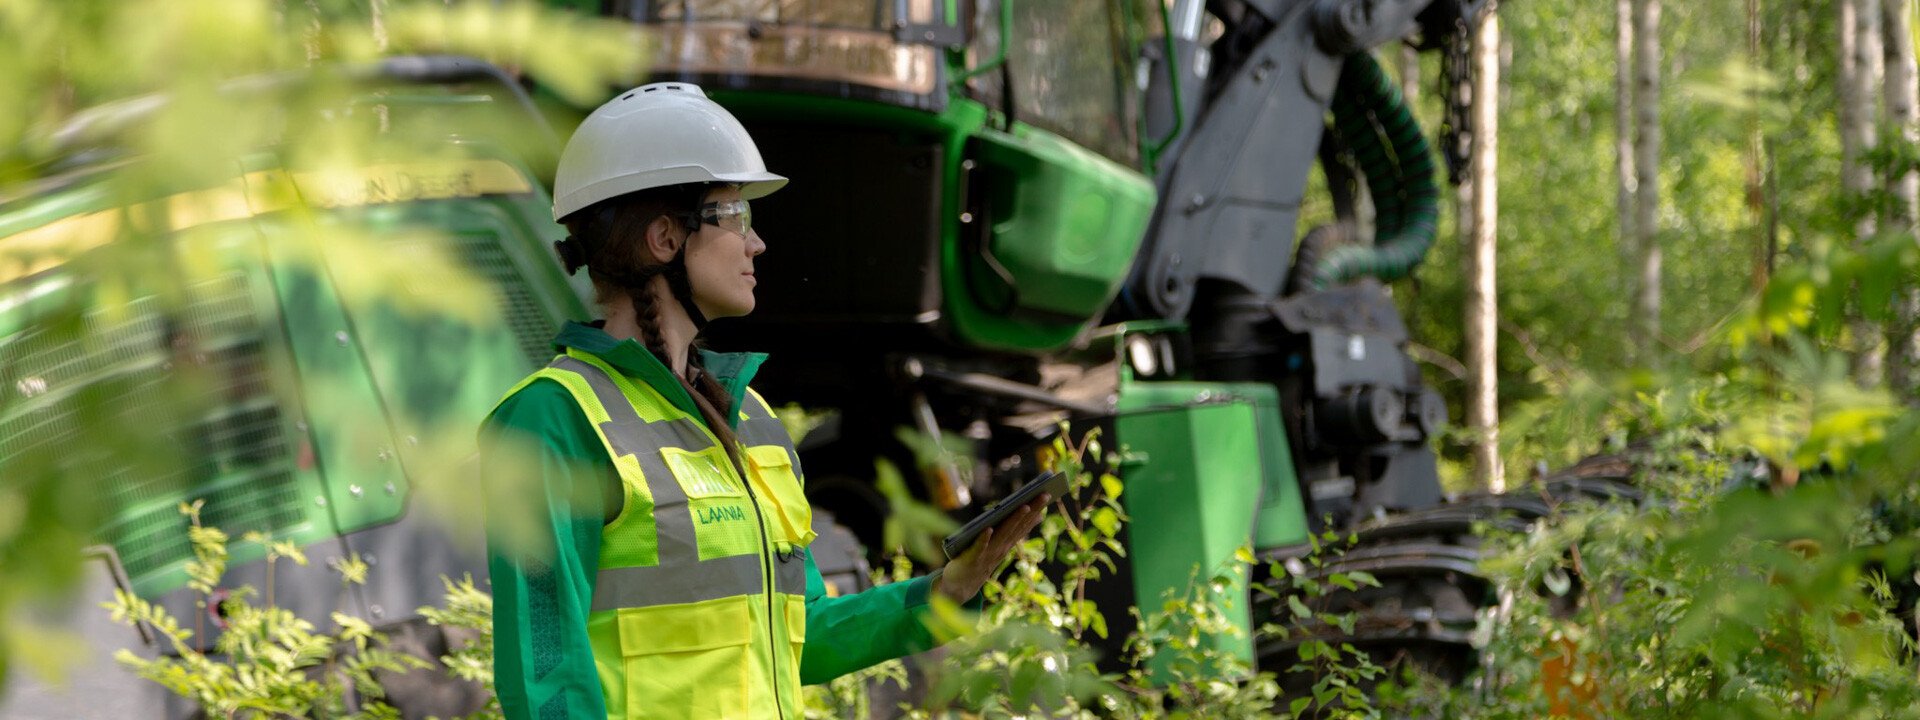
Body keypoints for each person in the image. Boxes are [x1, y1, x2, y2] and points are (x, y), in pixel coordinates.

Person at [480, 82, 1048, 720]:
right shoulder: (551, 422)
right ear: (666, 238)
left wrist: (943, 593)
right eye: (734, 216)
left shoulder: (751, 420)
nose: (757, 244)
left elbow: (797, 635)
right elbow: (546, 683)